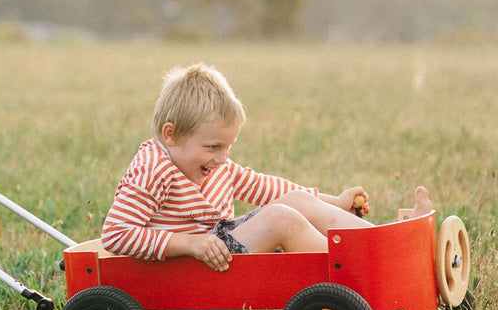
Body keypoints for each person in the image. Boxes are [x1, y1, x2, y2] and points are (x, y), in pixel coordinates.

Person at [101, 62, 432, 272]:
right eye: (212, 147)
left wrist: (332, 201)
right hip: (187, 271)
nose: (221, 158)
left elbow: (268, 188)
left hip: (215, 253)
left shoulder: (216, 167)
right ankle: (360, 272)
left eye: (227, 147)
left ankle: (387, 246)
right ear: (170, 135)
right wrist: (188, 244)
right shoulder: (152, 171)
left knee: (294, 203)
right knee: (281, 218)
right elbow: (116, 234)